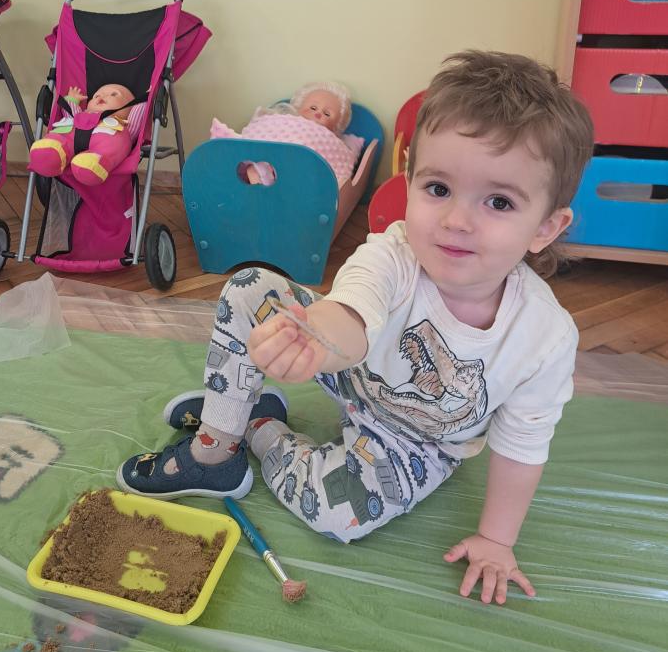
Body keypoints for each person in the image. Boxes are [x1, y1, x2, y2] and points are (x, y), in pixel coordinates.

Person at [117, 50, 594, 606]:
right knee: (249, 287)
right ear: (409, 177)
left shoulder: (545, 338)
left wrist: (496, 540)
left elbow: (522, 447)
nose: (457, 220)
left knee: (337, 514)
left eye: (499, 201)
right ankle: (216, 449)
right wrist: (311, 337)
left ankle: (257, 424)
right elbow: (352, 311)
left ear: (546, 227)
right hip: (348, 369)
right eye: (438, 189)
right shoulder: (394, 253)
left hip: (417, 441)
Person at [209, 81, 363, 185]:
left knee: (287, 166)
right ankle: (241, 158)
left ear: (335, 128)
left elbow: (330, 155)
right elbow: (268, 130)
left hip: (296, 168)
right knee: (258, 153)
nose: (318, 114)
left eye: (327, 114)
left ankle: (263, 174)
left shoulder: (328, 140)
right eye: (313, 108)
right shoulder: (285, 120)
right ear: (298, 108)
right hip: (269, 153)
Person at [27, 83, 143, 186]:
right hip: (73, 134)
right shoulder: (81, 115)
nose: (102, 96)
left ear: (129, 109)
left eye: (113, 94)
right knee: (62, 134)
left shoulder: (125, 125)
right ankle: (51, 154)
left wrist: (143, 101)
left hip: (105, 142)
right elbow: (70, 112)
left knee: (112, 147)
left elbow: (138, 115)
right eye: (96, 96)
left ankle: (95, 163)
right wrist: (72, 100)